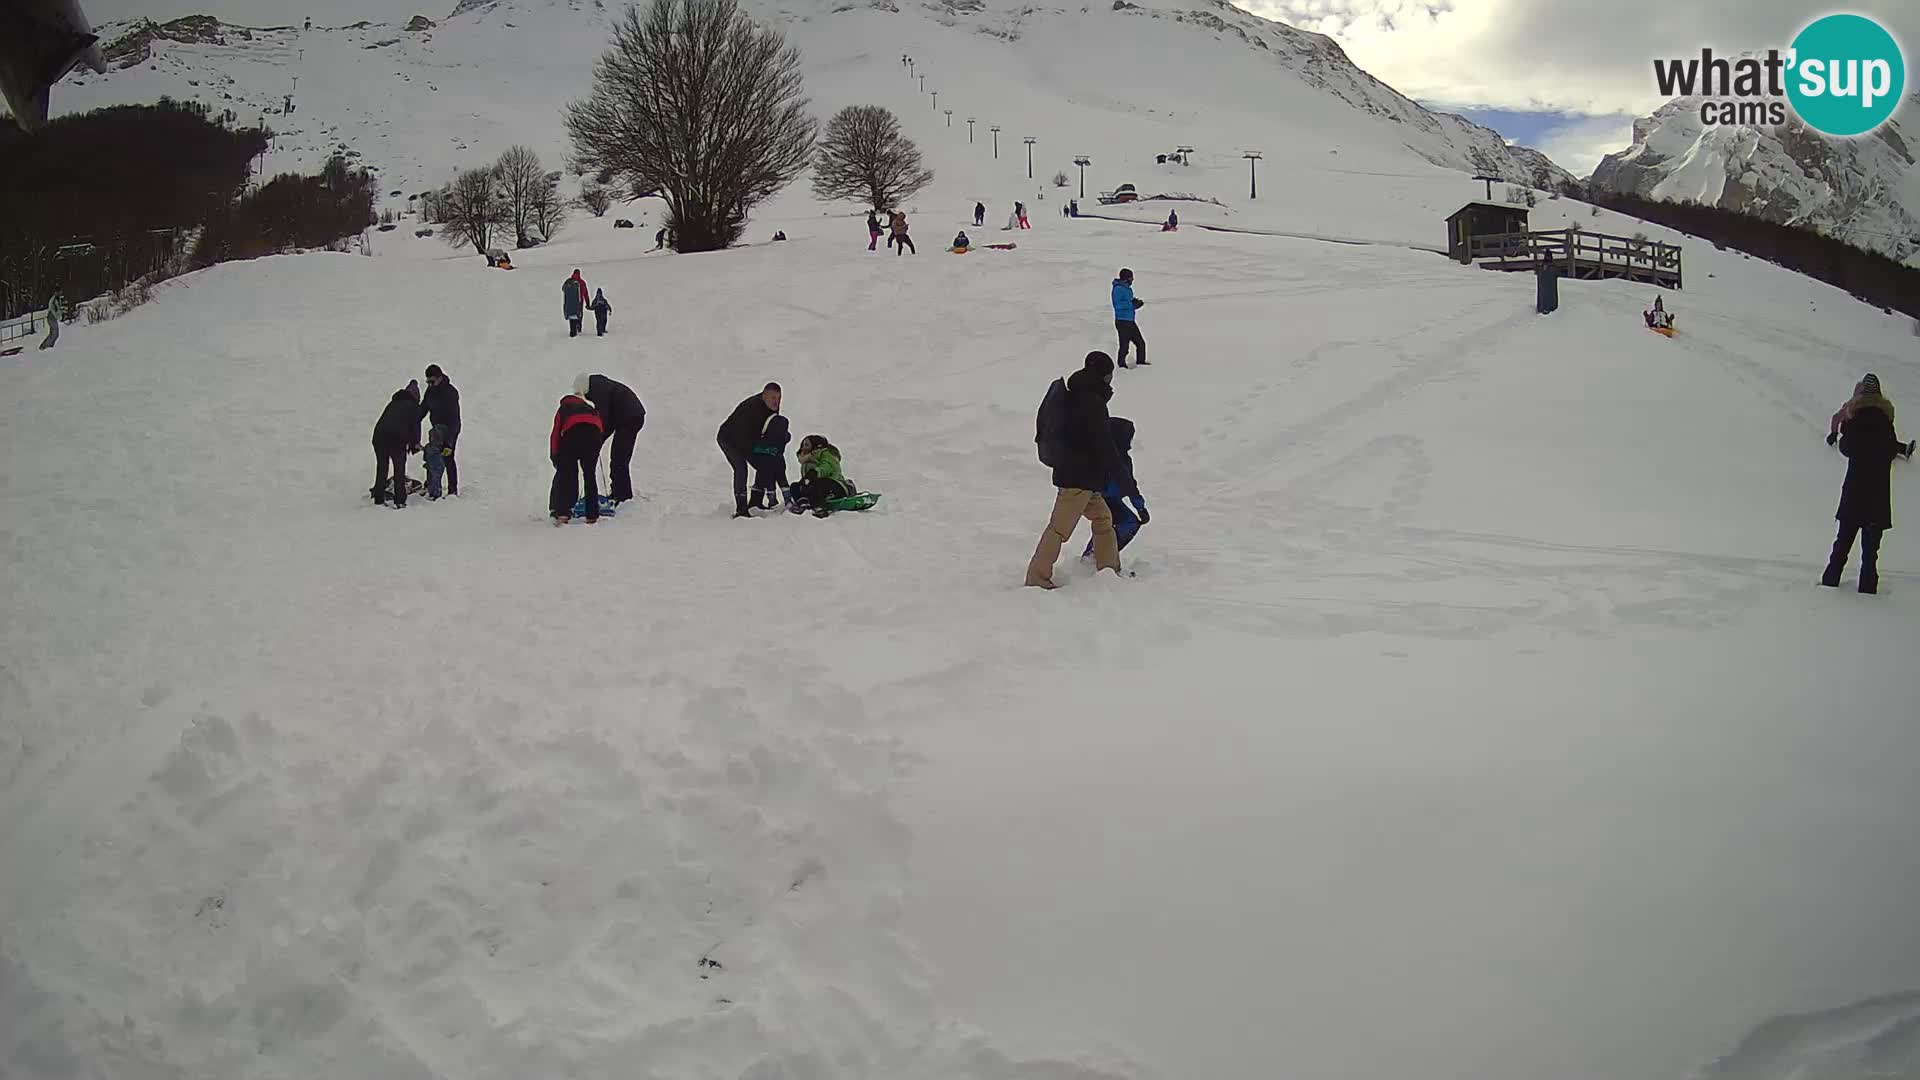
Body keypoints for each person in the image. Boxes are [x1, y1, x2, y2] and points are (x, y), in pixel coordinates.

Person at [1026, 351, 1122, 588]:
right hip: (1077, 479)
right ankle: (1037, 578)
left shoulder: (1080, 393)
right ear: (1105, 375)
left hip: (1083, 477)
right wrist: (1117, 468)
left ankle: (1109, 571)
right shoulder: (1091, 401)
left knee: (1103, 519)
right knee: (1059, 530)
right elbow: (1100, 440)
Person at [1821, 373, 1899, 593]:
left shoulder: (1856, 418)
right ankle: (1867, 591)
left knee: (1842, 544)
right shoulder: (1885, 421)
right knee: (1870, 554)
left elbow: (1846, 448)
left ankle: (1829, 584)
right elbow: (1892, 450)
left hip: (1855, 492)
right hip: (1878, 496)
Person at [1081, 417, 1149, 556]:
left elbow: (1129, 485)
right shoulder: (1117, 459)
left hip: (1102, 499)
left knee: (1109, 526)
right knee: (1127, 524)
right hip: (1102, 500)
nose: (1130, 443)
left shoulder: (1103, 454)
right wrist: (1140, 507)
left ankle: (1093, 557)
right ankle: (1096, 557)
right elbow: (1129, 486)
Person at [577, 372, 646, 504]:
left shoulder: (597, 388)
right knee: (618, 457)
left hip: (630, 417)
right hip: (628, 416)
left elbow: (603, 417)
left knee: (619, 457)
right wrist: (598, 441)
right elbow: (607, 423)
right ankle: (620, 492)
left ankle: (622, 495)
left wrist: (596, 439)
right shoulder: (599, 385)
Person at [718, 382, 782, 517]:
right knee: (741, 468)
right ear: (764, 395)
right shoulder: (751, 408)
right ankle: (741, 509)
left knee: (764, 464)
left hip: (748, 440)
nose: (776, 402)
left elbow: (770, 428)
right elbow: (744, 439)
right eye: (773, 398)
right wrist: (761, 449)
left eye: (778, 398)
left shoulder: (772, 407)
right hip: (729, 439)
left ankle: (755, 502)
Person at [549, 388, 605, 524]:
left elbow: (556, 433)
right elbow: (600, 429)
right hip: (593, 437)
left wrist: (554, 455)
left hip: (573, 435)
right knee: (589, 475)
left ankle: (562, 513)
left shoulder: (564, 408)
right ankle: (592, 515)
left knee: (567, 473)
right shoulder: (590, 409)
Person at [1829, 374, 1917, 458]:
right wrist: (1834, 433)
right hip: (1856, 433)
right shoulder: (1853, 406)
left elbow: (1836, 418)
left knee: (1879, 435)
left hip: (1868, 435)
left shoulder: (1880, 406)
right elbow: (1837, 418)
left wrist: (1833, 433)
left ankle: (1903, 449)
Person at [370, 380, 422, 508]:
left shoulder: (394, 403)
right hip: (396, 439)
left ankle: (378, 498)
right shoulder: (414, 406)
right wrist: (415, 444)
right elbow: (415, 427)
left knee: (382, 467)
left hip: (379, 436)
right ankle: (399, 501)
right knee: (399, 470)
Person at [419, 363, 460, 496]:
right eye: (427, 381)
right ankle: (431, 485)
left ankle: (452, 489)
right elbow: (423, 409)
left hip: (450, 428)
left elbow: (454, 419)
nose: (430, 384)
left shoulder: (450, 392)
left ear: (440, 377)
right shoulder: (430, 391)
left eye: (432, 381)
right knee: (432, 455)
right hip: (436, 428)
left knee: (448, 457)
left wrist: (449, 443)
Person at [789, 434, 854, 513]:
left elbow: (827, 466)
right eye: (802, 445)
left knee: (817, 484)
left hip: (834, 485)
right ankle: (803, 501)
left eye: (806, 445)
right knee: (795, 486)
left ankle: (819, 507)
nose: (803, 447)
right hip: (816, 488)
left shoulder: (826, 454)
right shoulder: (807, 460)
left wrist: (815, 473)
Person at [749, 412, 792, 510]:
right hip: (779, 462)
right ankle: (787, 500)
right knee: (782, 480)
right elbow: (787, 437)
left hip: (767, 464)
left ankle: (772, 501)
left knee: (770, 482)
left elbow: (756, 448)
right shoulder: (784, 437)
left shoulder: (765, 438)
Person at [1112, 267, 1148, 367]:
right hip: (1122, 321)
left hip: (1130, 320)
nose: (1132, 280)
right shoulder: (1118, 289)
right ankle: (1121, 366)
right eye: (1131, 278)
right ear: (1126, 278)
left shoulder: (1127, 289)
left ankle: (1141, 364)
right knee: (1124, 346)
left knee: (1140, 343)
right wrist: (1132, 304)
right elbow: (1118, 305)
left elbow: (1127, 302)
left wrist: (1135, 302)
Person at [423, 422, 452, 500]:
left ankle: (431, 491)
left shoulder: (428, 447)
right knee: (436, 479)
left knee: (431, 478)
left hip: (430, 466)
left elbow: (425, 457)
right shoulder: (440, 448)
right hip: (438, 467)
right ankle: (436, 493)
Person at [562, 269, 589, 337]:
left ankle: (573, 329)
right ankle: (578, 328)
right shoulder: (582, 282)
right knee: (579, 315)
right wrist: (588, 303)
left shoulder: (568, 281)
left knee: (571, 315)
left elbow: (563, 289)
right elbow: (585, 293)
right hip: (579, 302)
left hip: (570, 302)